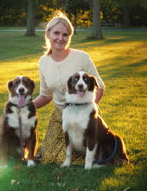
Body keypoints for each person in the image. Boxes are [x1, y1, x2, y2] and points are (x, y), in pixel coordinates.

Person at [34, 11, 105, 164]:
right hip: (61, 115)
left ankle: (92, 157)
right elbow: (46, 95)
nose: (60, 38)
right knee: (49, 158)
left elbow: (100, 87)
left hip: (86, 115)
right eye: (56, 33)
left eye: (65, 35)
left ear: (69, 37)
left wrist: (87, 112)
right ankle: (76, 154)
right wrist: (28, 106)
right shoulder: (43, 62)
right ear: (48, 34)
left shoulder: (82, 57)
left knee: (78, 152)